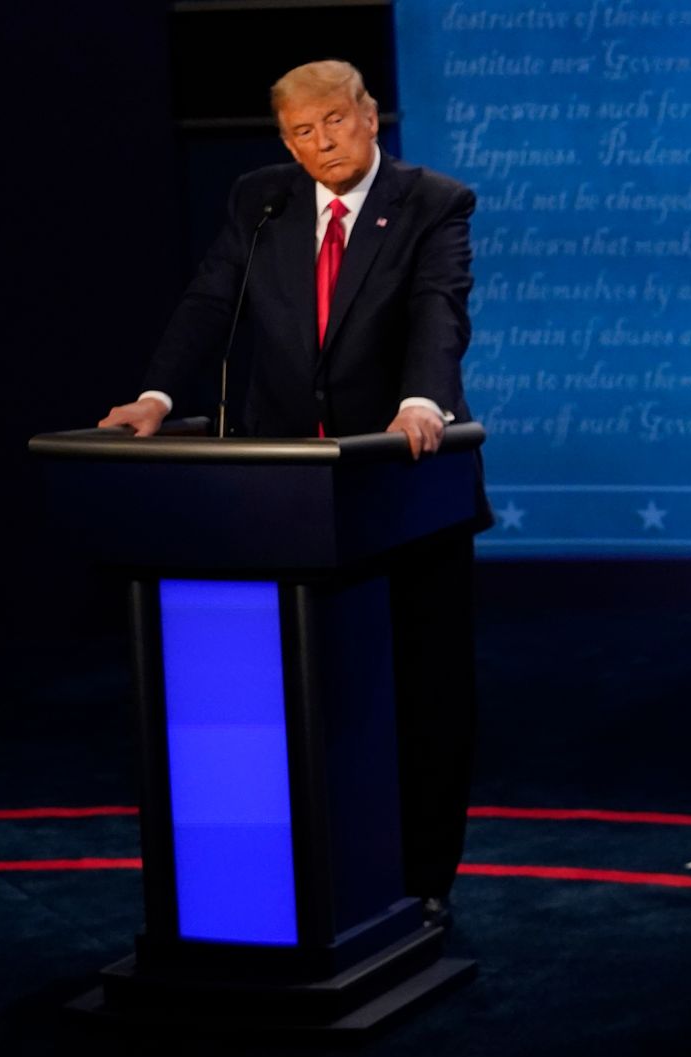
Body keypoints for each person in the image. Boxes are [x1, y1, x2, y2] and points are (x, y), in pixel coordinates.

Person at [99, 59, 483, 927]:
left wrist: (423, 398)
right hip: (277, 499)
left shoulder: (433, 201)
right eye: (300, 133)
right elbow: (208, 301)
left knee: (421, 691)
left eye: (333, 124)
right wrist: (157, 396)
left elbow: (438, 307)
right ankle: (296, 882)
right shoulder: (260, 200)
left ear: (370, 115)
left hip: (401, 485)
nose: (320, 146)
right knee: (292, 696)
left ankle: (424, 879)